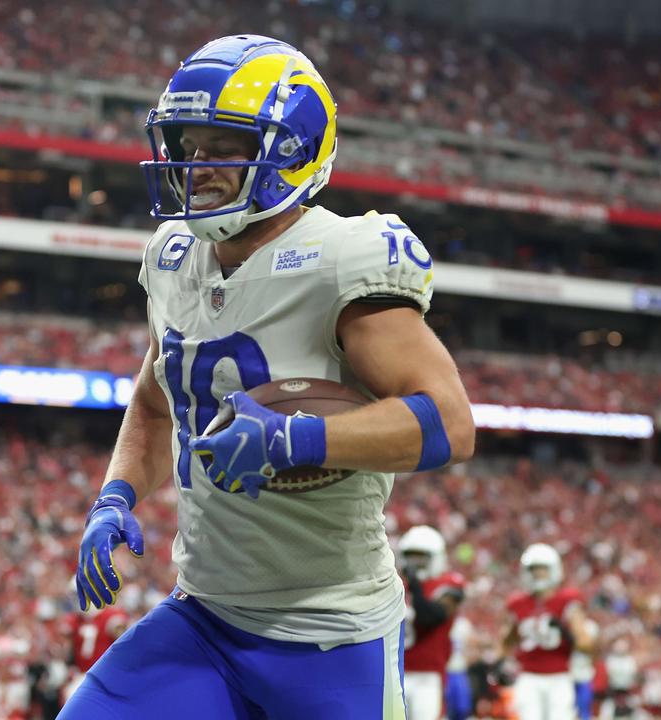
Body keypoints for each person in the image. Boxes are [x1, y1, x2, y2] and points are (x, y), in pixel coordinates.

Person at [61, 33, 474, 719]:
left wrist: (296, 440)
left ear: (289, 148)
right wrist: (115, 497)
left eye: (221, 145)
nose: (196, 165)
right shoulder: (174, 256)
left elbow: (449, 422)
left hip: (331, 636)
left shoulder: (342, 257)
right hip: (205, 617)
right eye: (188, 147)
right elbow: (155, 403)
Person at [502, 543, 596, 720]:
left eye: (542, 569)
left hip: (559, 675)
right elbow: (507, 642)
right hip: (528, 675)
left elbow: (586, 644)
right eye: (534, 569)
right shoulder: (518, 603)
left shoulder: (567, 601)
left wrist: (566, 633)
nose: (538, 574)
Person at [398, 526, 466, 720]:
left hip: (428, 676)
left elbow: (429, 618)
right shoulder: (394, 585)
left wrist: (415, 587)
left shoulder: (449, 584)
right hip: (396, 672)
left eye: (421, 557)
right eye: (411, 556)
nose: (415, 563)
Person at [60, 606, 128, 703]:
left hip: (105, 674)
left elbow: (121, 638)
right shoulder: (76, 619)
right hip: (82, 674)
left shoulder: (111, 617)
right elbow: (66, 649)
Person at [570, 618, 599, 720]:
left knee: (584, 705)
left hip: (584, 672)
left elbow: (589, 647)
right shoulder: (567, 624)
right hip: (568, 673)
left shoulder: (590, 626)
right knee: (567, 706)